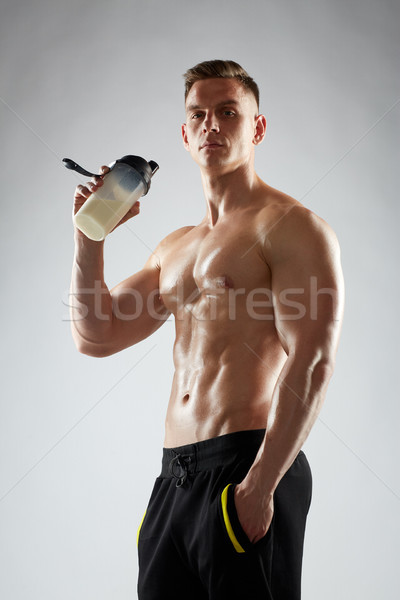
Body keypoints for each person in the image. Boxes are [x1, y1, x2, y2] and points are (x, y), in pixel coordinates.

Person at [70, 60, 344, 599]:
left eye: (227, 112)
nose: (211, 125)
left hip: (247, 465)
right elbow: (95, 334)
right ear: (185, 135)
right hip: (174, 480)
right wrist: (90, 237)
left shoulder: (291, 227)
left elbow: (312, 361)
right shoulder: (176, 248)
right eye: (199, 115)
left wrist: (260, 487)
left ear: (256, 128)